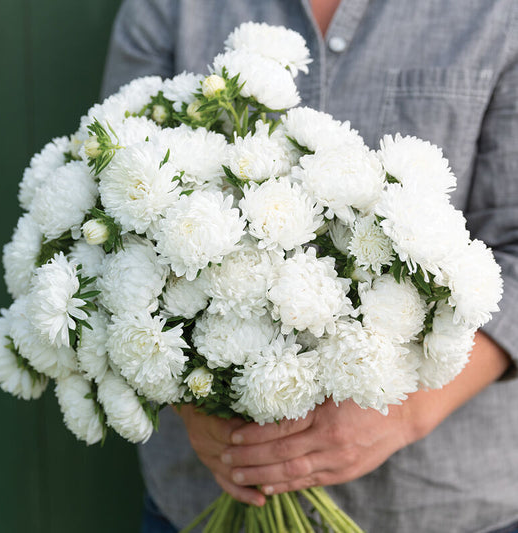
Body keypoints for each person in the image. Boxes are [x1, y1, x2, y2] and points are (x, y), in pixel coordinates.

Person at [100, 1, 518, 532]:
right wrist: (192, 400)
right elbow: (121, 199)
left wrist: (403, 413)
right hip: (201, 496)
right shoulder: (171, 8)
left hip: (438, 504)